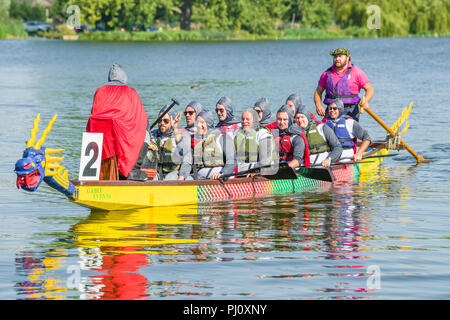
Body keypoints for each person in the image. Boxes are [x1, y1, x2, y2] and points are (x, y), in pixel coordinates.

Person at [86, 63, 148, 180]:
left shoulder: (99, 91)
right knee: (146, 127)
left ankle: (93, 172)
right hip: (123, 131)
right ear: (124, 77)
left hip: (100, 135)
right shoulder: (130, 92)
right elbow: (141, 117)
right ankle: (133, 169)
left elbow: (94, 112)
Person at [314, 48, 374, 121]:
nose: (337, 59)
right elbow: (318, 92)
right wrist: (318, 105)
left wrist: (366, 100)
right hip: (331, 110)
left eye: (340, 56)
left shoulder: (357, 72)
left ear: (347, 58)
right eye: (335, 57)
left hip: (350, 111)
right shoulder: (326, 74)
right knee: (327, 131)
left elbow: (369, 90)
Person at [145, 105, 192, 181]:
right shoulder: (152, 135)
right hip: (155, 174)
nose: (162, 123)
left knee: (169, 178)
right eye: (160, 120)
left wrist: (181, 177)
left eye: (166, 121)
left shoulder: (181, 136)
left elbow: (187, 161)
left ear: (172, 121)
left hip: (173, 174)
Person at [193, 110, 237, 180]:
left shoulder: (222, 137)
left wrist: (222, 173)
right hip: (200, 178)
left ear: (208, 123)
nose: (198, 125)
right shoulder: (196, 140)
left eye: (202, 122)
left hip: (219, 178)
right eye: (197, 123)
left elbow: (232, 161)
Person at [234, 109, 276, 174]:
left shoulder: (263, 134)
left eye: (247, 119)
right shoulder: (236, 133)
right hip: (243, 167)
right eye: (243, 119)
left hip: (262, 168)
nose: (244, 121)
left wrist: (255, 171)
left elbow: (266, 161)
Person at [273, 105, 307, 169]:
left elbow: (297, 160)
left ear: (290, 120)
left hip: (293, 169)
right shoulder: (273, 134)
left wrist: (284, 169)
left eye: (285, 119)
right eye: (279, 119)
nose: (281, 122)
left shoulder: (296, 137)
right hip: (278, 168)